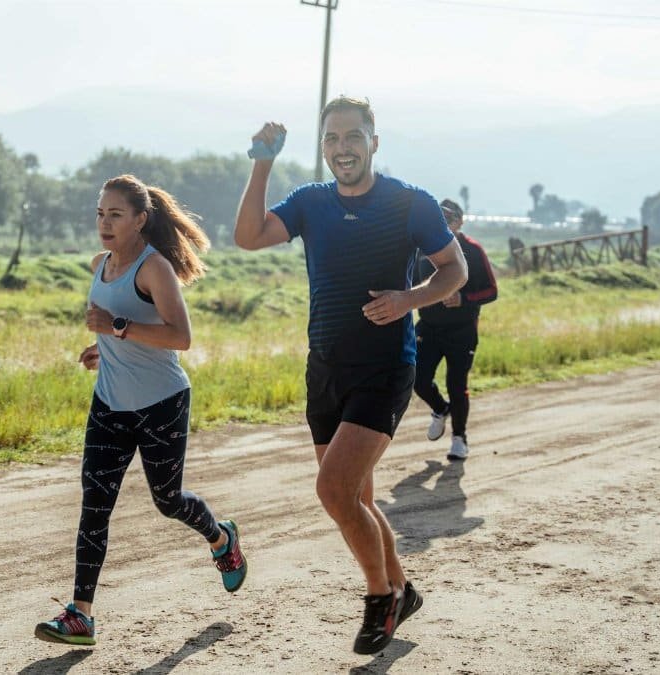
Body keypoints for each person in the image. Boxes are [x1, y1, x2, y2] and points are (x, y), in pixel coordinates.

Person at [234, 97, 468, 655]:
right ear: (324, 147)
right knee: (354, 499)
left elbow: (453, 269)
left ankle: (379, 597)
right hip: (325, 369)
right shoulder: (311, 202)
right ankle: (403, 590)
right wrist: (262, 161)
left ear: (374, 142)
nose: (343, 148)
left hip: (386, 367)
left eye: (353, 136)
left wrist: (409, 298)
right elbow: (248, 236)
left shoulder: (410, 203)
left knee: (334, 490)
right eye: (332, 139)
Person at [36, 174, 248, 647]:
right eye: (99, 213)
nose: (104, 223)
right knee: (95, 507)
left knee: (168, 501)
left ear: (140, 220)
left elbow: (180, 337)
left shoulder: (155, 270)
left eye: (115, 214)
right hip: (110, 404)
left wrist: (118, 327)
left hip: (161, 404)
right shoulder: (100, 264)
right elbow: (113, 327)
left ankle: (221, 539)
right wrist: (102, 346)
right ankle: (80, 616)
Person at [413, 199, 498, 460]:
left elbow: (492, 291)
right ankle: (440, 409)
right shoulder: (422, 249)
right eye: (440, 217)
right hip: (428, 327)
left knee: (456, 383)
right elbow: (412, 284)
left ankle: (459, 439)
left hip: (462, 331)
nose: (445, 223)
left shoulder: (472, 250)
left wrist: (464, 299)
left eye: (450, 218)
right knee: (416, 378)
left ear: (460, 221)